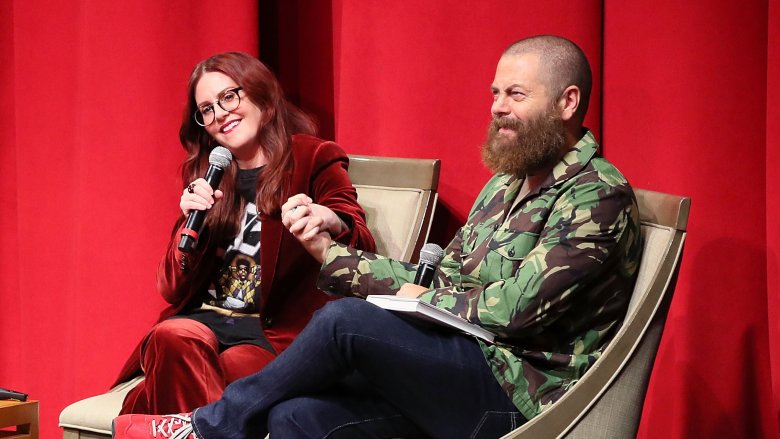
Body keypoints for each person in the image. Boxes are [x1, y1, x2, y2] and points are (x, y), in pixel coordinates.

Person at [113, 35, 642, 439]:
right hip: (458, 366)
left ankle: (206, 427)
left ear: (568, 102)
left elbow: (514, 311)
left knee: (344, 320)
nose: (497, 106)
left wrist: (416, 294)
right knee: (295, 416)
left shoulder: (597, 194)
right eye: (495, 92)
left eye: (516, 94)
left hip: (522, 395)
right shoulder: (504, 186)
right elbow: (450, 276)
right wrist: (332, 257)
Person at [112, 52, 375, 415]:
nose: (219, 114)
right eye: (206, 109)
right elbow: (171, 288)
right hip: (205, 324)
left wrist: (328, 218)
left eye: (228, 97)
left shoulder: (313, 158)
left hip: (271, 336)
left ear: (261, 95)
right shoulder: (210, 176)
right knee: (170, 336)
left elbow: (362, 242)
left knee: (204, 374)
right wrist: (192, 224)